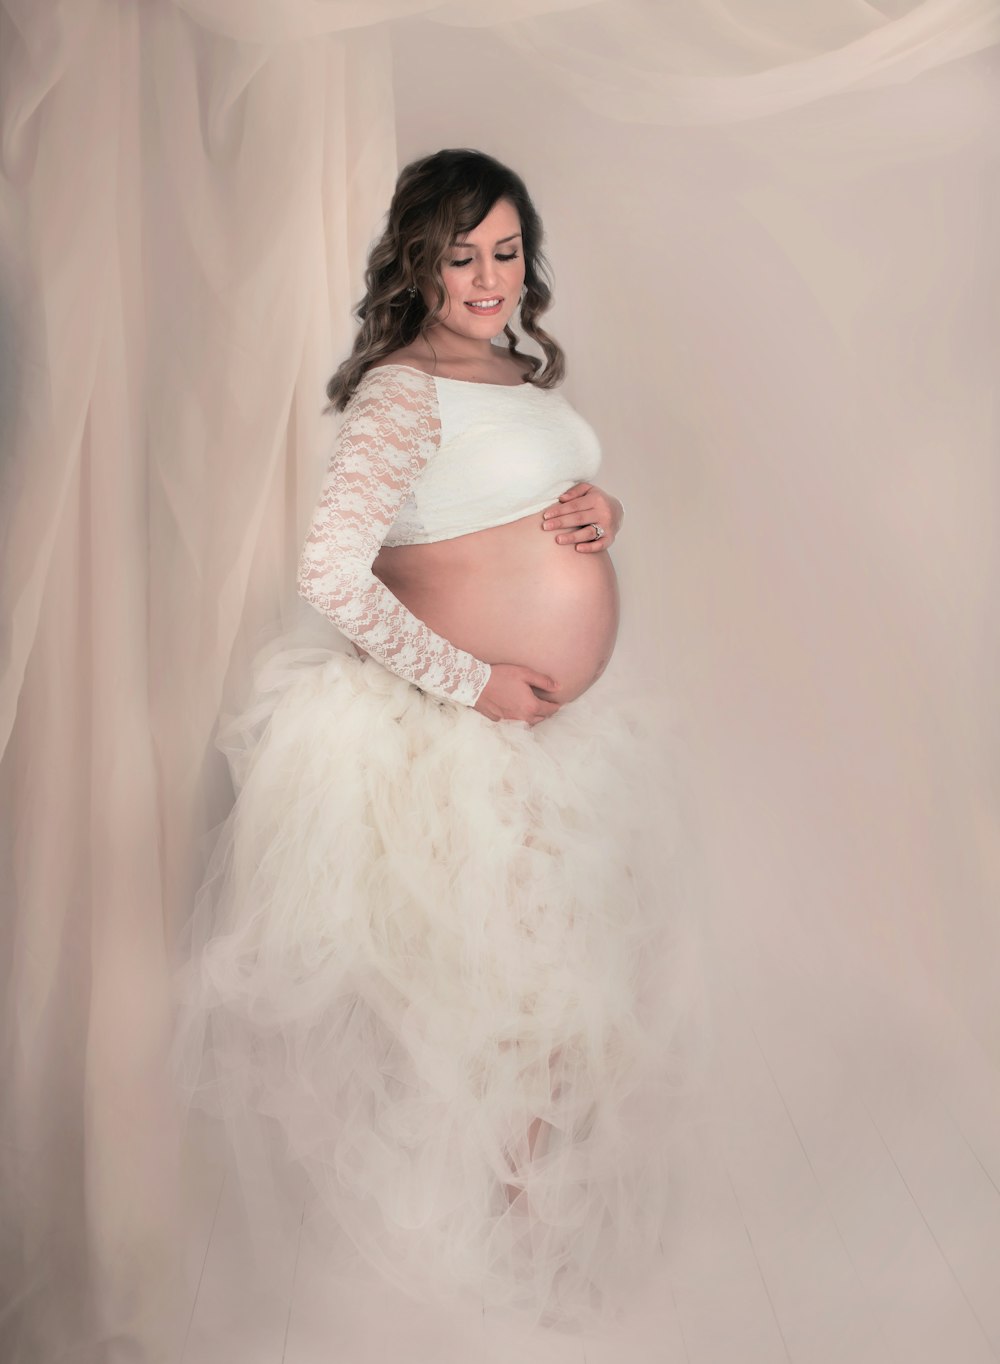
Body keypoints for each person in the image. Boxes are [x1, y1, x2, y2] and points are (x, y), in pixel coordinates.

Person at [172, 148, 694, 1333]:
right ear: (420, 260)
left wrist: (601, 511)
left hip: (544, 739)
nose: (489, 278)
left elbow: (521, 496)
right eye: (463, 255)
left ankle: (530, 1228)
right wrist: (475, 680)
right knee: (508, 990)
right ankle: (501, 1250)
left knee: (567, 984)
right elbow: (328, 572)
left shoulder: (517, 372)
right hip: (456, 730)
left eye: (506, 252)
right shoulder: (401, 389)